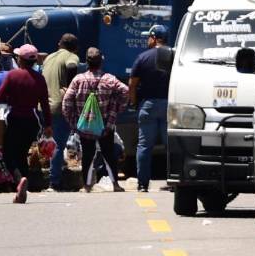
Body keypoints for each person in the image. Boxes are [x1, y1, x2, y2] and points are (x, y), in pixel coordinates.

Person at [0, 44, 52, 203]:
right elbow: (45, 104)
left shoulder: (12, 75)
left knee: (8, 155)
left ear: (21, 60)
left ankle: (20, 181)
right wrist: (48, 125)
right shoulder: (40, 78)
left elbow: (0, 96)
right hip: (32, 122)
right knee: (22, 154)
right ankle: (22, 188)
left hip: (13, 119)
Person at [62, 47, 128, 192]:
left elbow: (66, 102)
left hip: (85, 126)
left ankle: (86, 185)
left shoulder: (78, 80)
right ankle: (115, 184)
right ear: (101, 61)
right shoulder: (109, 79)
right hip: (105, 125)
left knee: (87, 155)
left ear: (86, 62)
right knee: (108, 154)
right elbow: (125, 90)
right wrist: (117, 110)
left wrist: (74, 122)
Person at [129, 24, 173, 192]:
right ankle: (174, 181)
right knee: (172, 146)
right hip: (170, 106)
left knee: (144, 146)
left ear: (155, 38)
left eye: (149, 36)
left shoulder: (142, 57)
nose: (147, 40)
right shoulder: (174, 57)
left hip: (148, 105)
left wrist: (133, 103)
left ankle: (142, 184)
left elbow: (132, 84)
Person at [41, 33, 80, 190]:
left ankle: (54, 170)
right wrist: (70, 85)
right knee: (58, 144)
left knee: (50, 142)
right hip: (59, 106)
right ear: (75, 48)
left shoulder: (49, 57)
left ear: (59, 44)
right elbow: (72, 65)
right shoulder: (72, 56)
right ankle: (54, 181)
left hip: (44, 106)